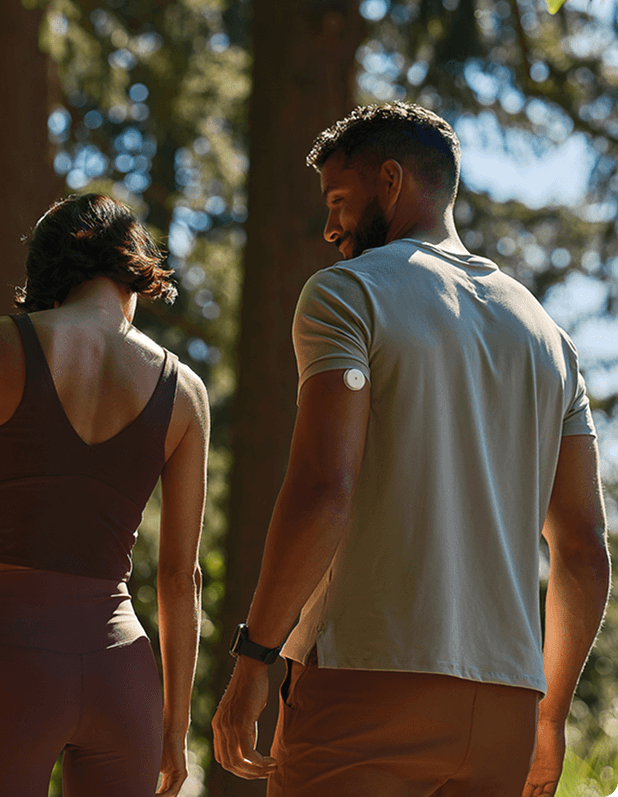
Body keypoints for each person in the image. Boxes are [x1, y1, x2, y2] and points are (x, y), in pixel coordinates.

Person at [212, 101, 611, 797]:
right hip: (505, 708)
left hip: (365, 684)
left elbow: (323, 490)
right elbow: (581, 547)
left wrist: (254, 660)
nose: (332, 226)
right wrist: (548, 717)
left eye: (339, 199)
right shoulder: (548, 337)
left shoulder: (348, 294)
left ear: (391, 181)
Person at [0, 193, 209, 797]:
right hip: (121, 671)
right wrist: (175, 724)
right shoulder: (186, 392)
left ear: (46, 271)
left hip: (8, 649)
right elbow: (182, 576)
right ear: (133, 263)